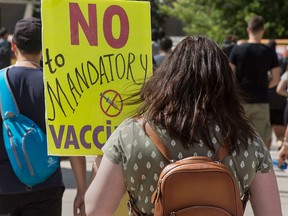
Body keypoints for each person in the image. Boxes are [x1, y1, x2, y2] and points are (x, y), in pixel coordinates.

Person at [84, 36, 282, 216]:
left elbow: (95, 209)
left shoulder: (132, 134)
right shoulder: (246, 139)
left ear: (168, 78)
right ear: (225, 84)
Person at [0, 17, 64, 215]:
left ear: (13, 45)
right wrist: (81, 187)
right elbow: (70, 139)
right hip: (47, 184)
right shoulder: (57, 85)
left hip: (3, 187)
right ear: (45, 46)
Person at [229, 15, 281, 149]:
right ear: (262, 30)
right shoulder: (269, 51)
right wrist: (264, 86)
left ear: (248, 30)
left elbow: (230, 75)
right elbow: (276, 78)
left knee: (238, 140)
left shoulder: (237, 49)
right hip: (261, 101)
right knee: (260, 144)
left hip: (240, 101)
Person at [267, 39, 286, 149]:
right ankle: (281, 156)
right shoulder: (281, 60)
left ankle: (266, 161)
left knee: (266, 137)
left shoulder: (263, 59)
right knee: (279, 136)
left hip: (266, 100)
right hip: (279, 101)